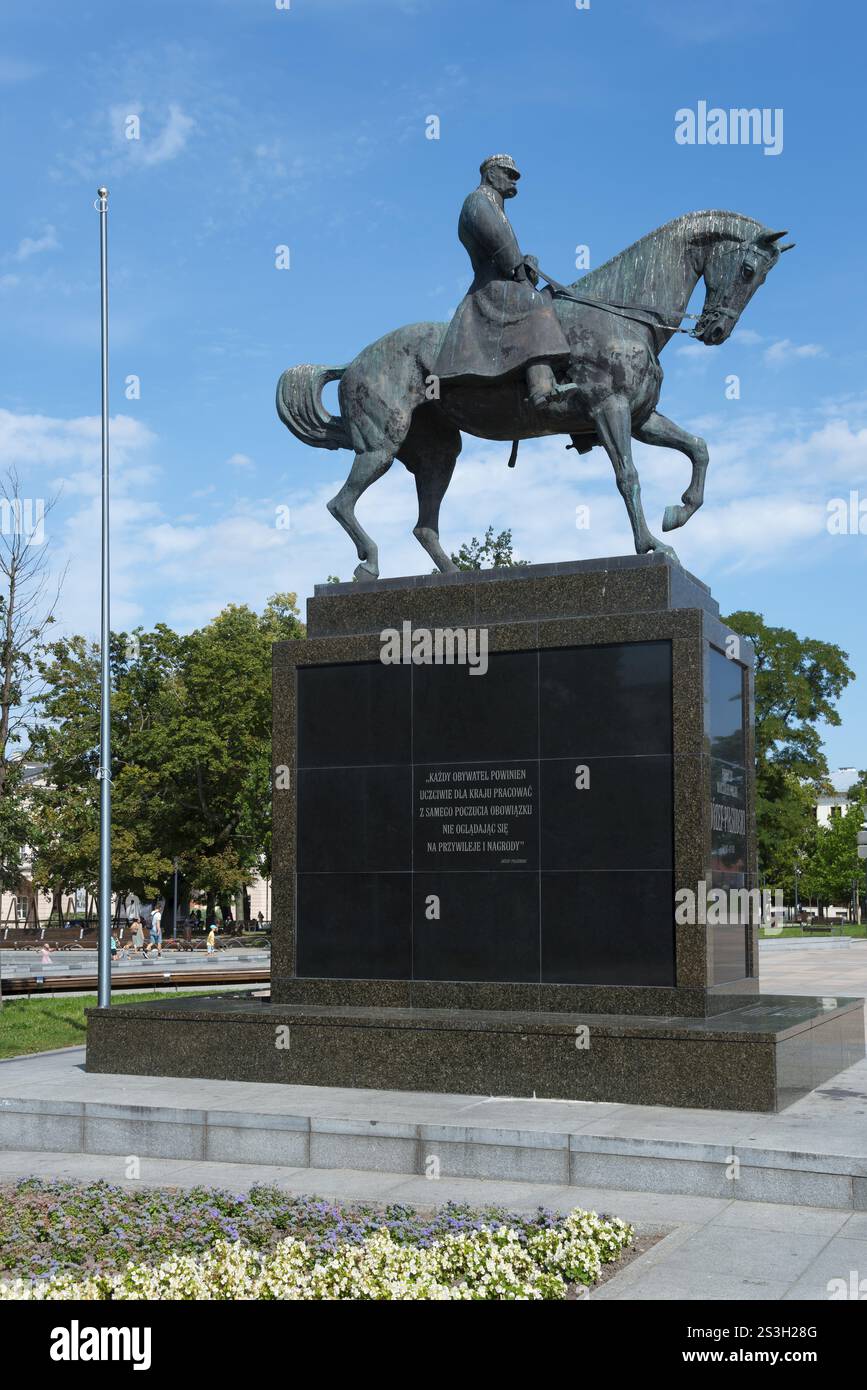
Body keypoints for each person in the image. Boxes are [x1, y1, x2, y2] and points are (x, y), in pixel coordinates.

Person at [433, 154, 578, 410]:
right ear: (491, 174)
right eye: (509, 174)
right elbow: (501, 247)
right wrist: (521, 273)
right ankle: (541, 389)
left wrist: (525, 264)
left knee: (556, 299)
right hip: (491, 287)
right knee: (537, 304)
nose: (514, 180)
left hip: (504, 281)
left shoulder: (494, 204)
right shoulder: (477, 201)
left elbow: (508, 252)